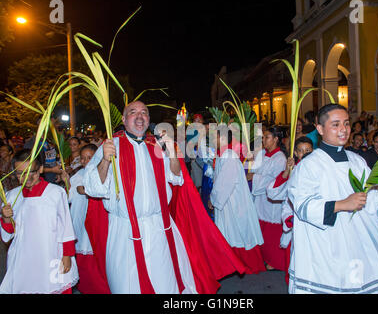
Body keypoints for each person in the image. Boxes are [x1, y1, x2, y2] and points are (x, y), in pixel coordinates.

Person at [83, 101, 245, 294]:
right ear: (125, 120)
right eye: (133, 112)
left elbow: (175, 177)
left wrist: (173, 154)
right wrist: (105, 160)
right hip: (124, 232)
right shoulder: (110, 145)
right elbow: (93, 188)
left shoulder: (156, 145)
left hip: (159, 228)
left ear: (149, 120)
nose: (140, 116)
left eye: (144, 112)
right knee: (127, 286)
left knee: (165, 285)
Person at [287, 103, 378, 294]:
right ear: (320, 129)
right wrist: (343, 204)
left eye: (346, 123)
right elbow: (303, 205)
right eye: (335, 125)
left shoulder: (357, 160)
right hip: (327, 245)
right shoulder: (309, 166)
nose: (343, 130)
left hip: (360, 241)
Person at [0, 149, 79, 293]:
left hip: (50, 252)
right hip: (23, 255)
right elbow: (9, 234)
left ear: (41, 169)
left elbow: (66, 226)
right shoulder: (12, 196)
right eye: (20, 173)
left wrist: (67, 255)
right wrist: (5, 217)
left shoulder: (55, 193)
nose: (27, 177)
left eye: (32, 172)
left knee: (52, 286)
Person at [208, 127, 265, 274]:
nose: (212, 141)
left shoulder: (229, 156)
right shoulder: (224, 155)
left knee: (238, 231)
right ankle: (232, 264)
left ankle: (246, 264)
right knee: (231, 231)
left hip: (233, 201)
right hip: (228, 200)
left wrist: (214, 199)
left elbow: (225, 183)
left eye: (215, 137)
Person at [266, 136, 313, 285]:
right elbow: (274, 193)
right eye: (300, 151)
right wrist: (287, 171)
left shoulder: (321, 170)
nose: (304, 154)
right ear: (295, 153)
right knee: (294, 262)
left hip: (314, 223)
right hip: (296, 223)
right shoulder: (293, 170)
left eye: (308, 150)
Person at [68, 144, 109, 294]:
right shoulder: (79, 175)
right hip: (82, 218)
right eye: (83, 158)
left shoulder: (106, 172)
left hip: (98, 219)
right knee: (84, 252)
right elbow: (80, 189)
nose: (85, 161)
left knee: (98, 253)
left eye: (89, 158)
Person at [249, 126, 287, 271]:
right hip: (260, 200)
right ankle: (264, 257)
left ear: (276, 139)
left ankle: (275, 261)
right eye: (263, 137)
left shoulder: (280, 159)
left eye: (267, 137)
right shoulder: (263, 154)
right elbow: (254, 169)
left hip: (272, 201)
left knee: (272, 232)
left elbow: (272, 181)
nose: (263, 140)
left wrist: (254, 177)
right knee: (262, 230)